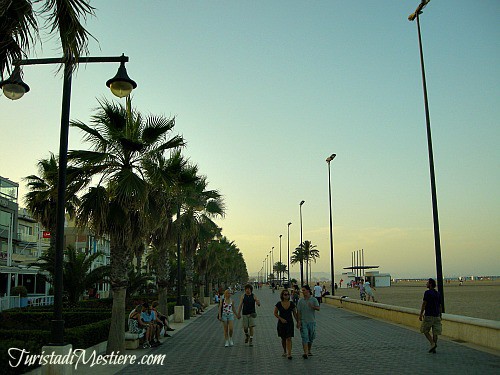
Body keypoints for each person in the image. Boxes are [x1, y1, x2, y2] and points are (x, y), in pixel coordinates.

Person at [296, 284, 320, 359]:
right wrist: (298, 321)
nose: (303, 292)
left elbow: (318, 308)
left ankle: (309, 350)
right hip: (304, 322)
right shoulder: (300, 301)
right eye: (302, 291)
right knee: (305, 337)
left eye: (304, 290)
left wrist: (312, 307)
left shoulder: (313, 300)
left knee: (311, 337)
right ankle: (305, 353)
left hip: (311, 322)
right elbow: (298, 312)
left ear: (308, 290)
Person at [419, 278, 442, 353]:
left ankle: (432, 343)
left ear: (430, 284)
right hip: (437, 315)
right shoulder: (438, 293)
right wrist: (440, 314)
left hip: (429, 315)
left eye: (427, 283)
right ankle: (434, 347)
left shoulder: (427, 293)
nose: (426, 284)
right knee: (435, 332)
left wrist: (421, 314)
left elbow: (424, 304)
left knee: (425, 330)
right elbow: (439, 306)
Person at [274, 289, 298, 359]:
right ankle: (285, 351)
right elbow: (275, 313)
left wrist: (298, 322)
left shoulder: (292, 304)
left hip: (289, 323)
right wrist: (281, 319)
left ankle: (289, 353)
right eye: (285, 294)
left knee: (289, 338)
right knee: (283, 338)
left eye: (288, 294)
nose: (287, 296)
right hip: (281, 323)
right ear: (282, 295)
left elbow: (294, 313)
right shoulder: (279, 304)